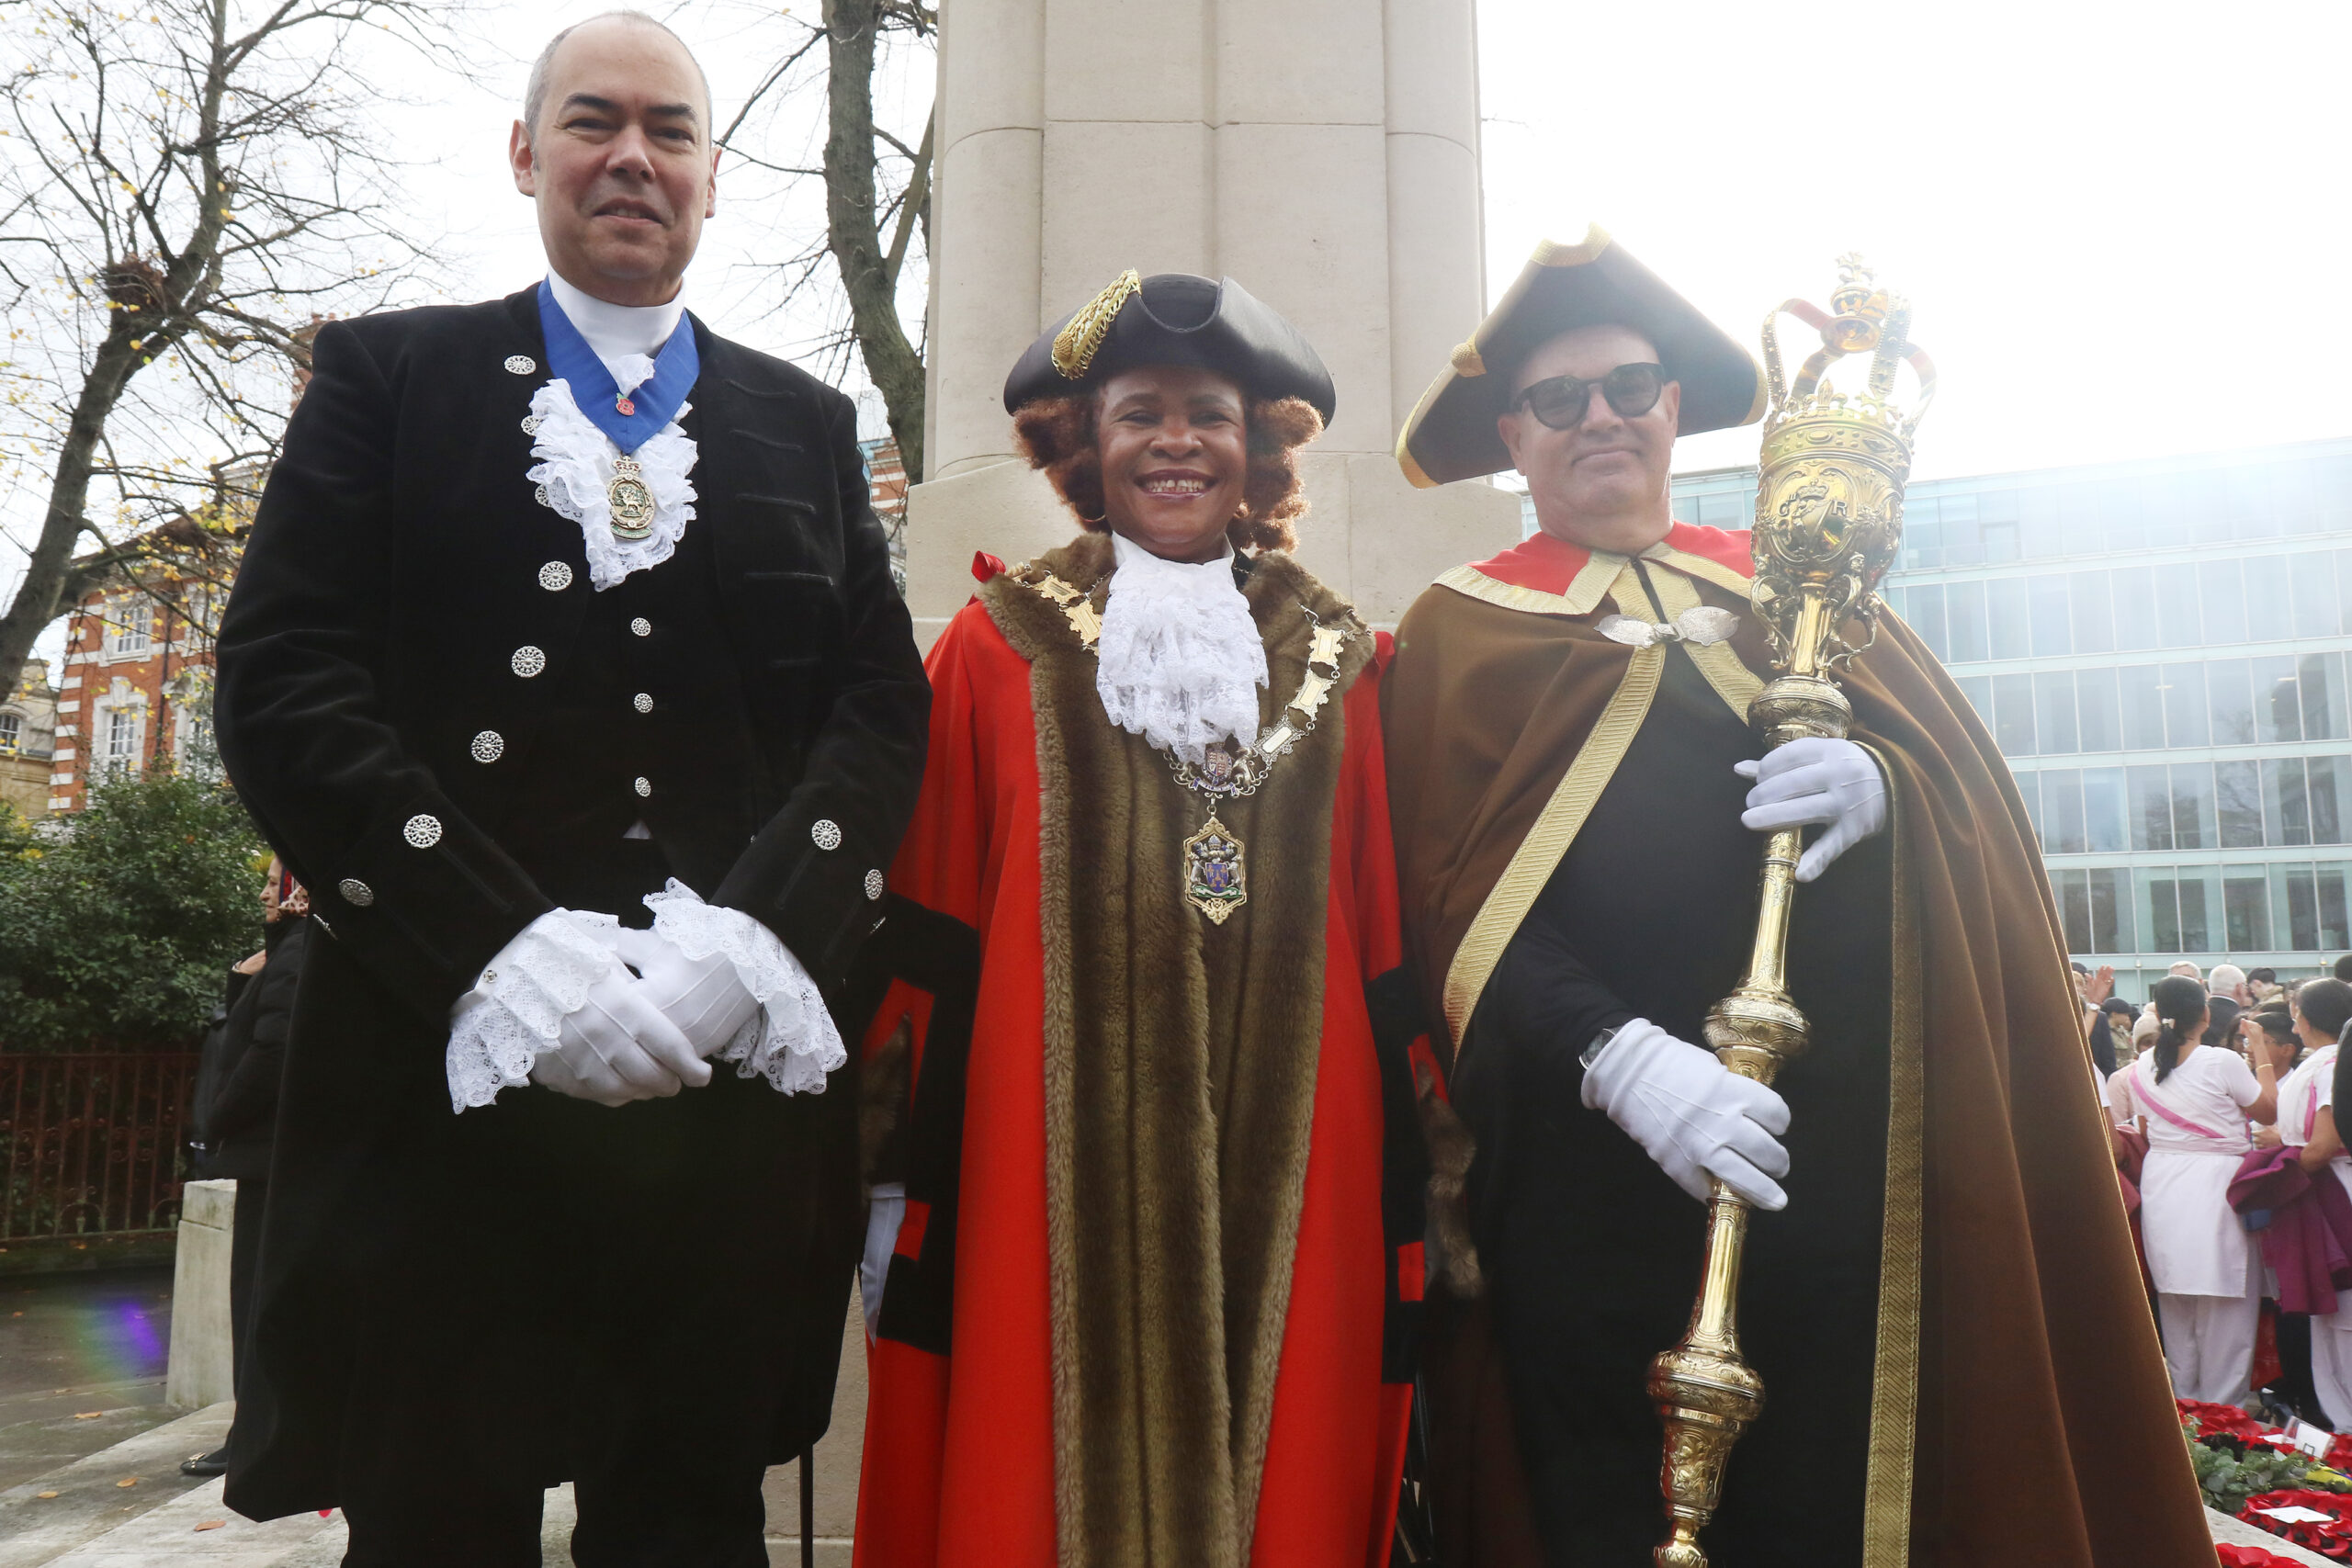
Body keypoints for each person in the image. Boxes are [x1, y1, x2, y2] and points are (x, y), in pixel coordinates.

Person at [210, 14, 929, 1561]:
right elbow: (283, 678)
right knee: (432, 1524)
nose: (632, 158)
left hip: (721, 1102)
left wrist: (757, 942)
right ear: (525, 154)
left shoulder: (807, 426)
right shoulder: (390, 378)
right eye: (593, 121)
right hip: (440, 1089)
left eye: (671, 131)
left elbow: (877, 712)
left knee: (692, 1522)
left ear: (713, 177)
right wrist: (502, 954)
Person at [1379, 230, 2211, 1564]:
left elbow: (1968, 817)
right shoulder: (1455, 634)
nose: (1600, 417)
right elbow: (1442, 904)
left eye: (1629, 386)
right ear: (1513, 438)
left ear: (1672, 408)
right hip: (1587, 1174)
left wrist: (1890, 783)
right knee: (1602, 1497)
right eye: (1558, 398)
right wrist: (1616, 1057)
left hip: (1834, 1161)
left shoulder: (1800, 595)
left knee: (1839, 1483)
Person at [849, 272, 1435, 1568]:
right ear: (1083, 445)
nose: (1178, 442)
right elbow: (926, 942)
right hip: (1034, 1166)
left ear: (1257, 447)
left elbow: (1389, 942)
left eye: (1209, 413)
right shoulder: (995, 649)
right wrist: (888, 1178)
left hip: (1305, 1155)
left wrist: (1425, 1181)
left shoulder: (1345, 663)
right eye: (1139, 414)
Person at [180, 861, 311, 1480]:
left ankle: (254, 1440)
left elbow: (270, 1048)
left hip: (269, 1156)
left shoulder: (302, 949)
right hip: (267, 1156)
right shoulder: (288, 949)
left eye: (275, 880)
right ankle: (251, 1433)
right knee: (256, 1305)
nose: (264, 892)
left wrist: (218, 1118)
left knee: (258, 1306)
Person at [2130, 976, 2279, 1404]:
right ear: (2205, 1013)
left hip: (2164, 1182)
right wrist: (2261, 1053)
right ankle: (2223, 1416)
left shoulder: (2141, 1065)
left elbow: (2145, 1130)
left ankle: (2186, 1416)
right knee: (2227, 1308)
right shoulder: (2221, 1061)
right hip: (2216, 1185)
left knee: (2177, 1304)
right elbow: (2269, 1111)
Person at [2286, 979, 2352, 1424]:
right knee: (2331, 1311)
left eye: (2296, 1016)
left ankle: (2343, 1423)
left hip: (2325, 1187)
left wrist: (2281, 1172)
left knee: (2336, 1313)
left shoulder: (2326, 1065)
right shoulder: (2325, 1064)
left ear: (2308, 1020)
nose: (2294, 1026)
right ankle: (2343, 1427)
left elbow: (2322, 1142)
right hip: (2322, 1187)